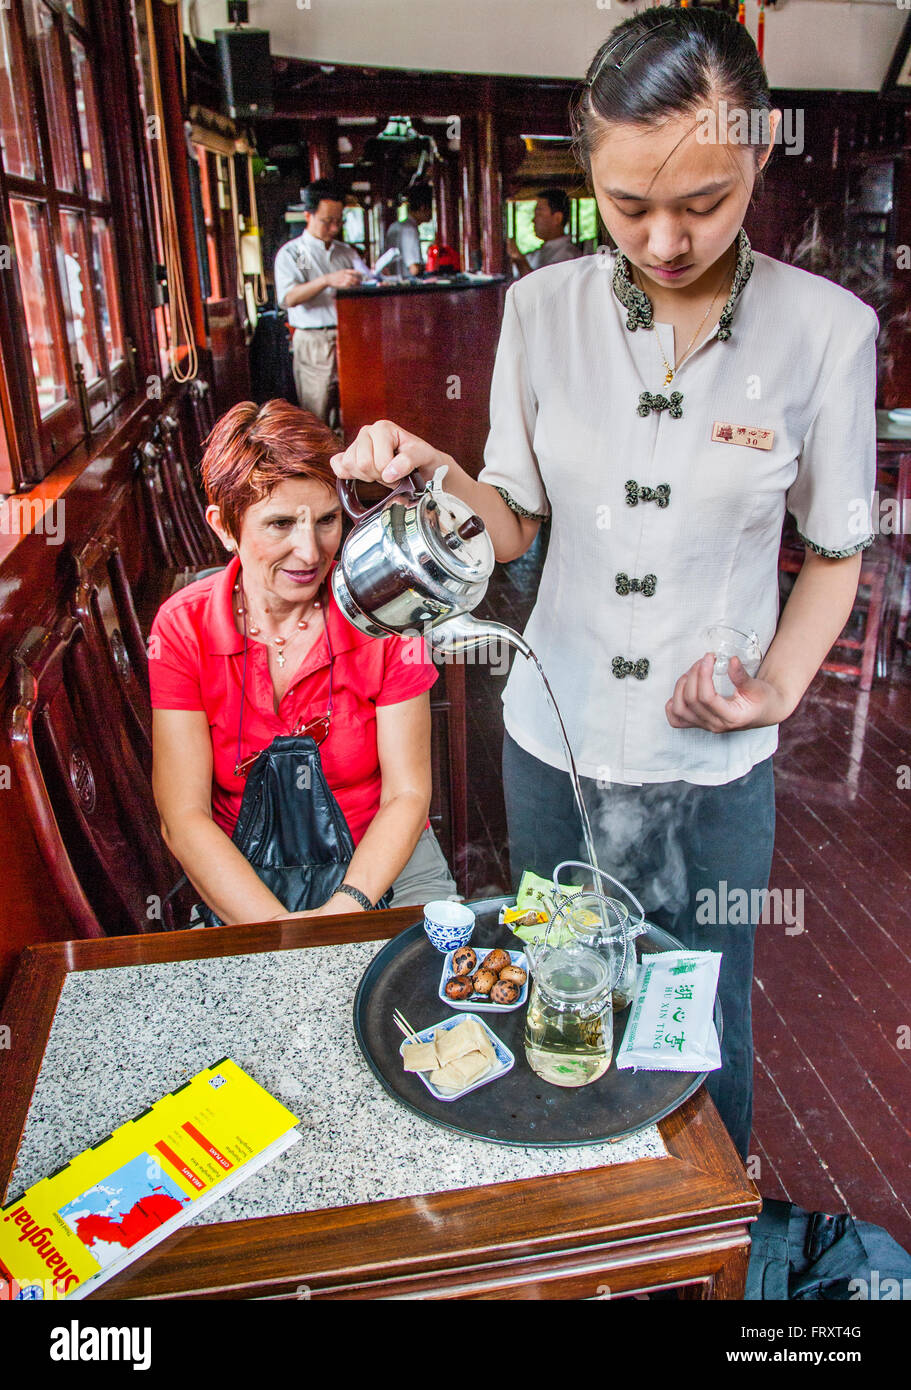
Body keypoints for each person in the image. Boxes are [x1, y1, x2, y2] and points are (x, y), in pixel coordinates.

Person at [329, 6, 879, 1160]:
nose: (665, 240)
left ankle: (705, 1260)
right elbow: (513, 520)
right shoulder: (539, 312)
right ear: (587, 166)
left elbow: (834, 550)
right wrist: (436, 473)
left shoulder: (827, 330)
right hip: (554, 744)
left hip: (711, 770)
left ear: (758, 157)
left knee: (694, 1030)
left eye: (703, 203)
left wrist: (774, 690)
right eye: (629, 207)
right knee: (564, 1010)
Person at [150, 399, 459, 926]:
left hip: (382, 862)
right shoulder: (182, 628)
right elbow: (184, 817)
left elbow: (408, 794)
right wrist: (284, 935)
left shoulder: (387, 608)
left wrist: (344, 911)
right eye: (278, 525)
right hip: (248, 874)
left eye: (326, 520)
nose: (310, 552)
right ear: (224, 528)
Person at [273, 179, 367, 424]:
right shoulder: (295, 253)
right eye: (327, 221)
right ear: (308, 215)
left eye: (339, 221)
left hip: (350, 341)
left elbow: (371, 281)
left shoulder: (346, 252)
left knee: (354, 411)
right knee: (316, 415)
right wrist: (327, 280)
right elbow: (288, 297)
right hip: (313, 341)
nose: (334, 228)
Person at [506, 189, 583, 276]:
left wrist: (519, 259)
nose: (533, 220)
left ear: (557, 218)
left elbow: (542, 287)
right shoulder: (540, 252)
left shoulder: (568, 256)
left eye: (539, 214)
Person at [383, 183, 433, 276]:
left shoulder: (394, 226)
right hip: (407, 287)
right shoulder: (409, 229)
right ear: (423, 208)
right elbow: (414, 269)